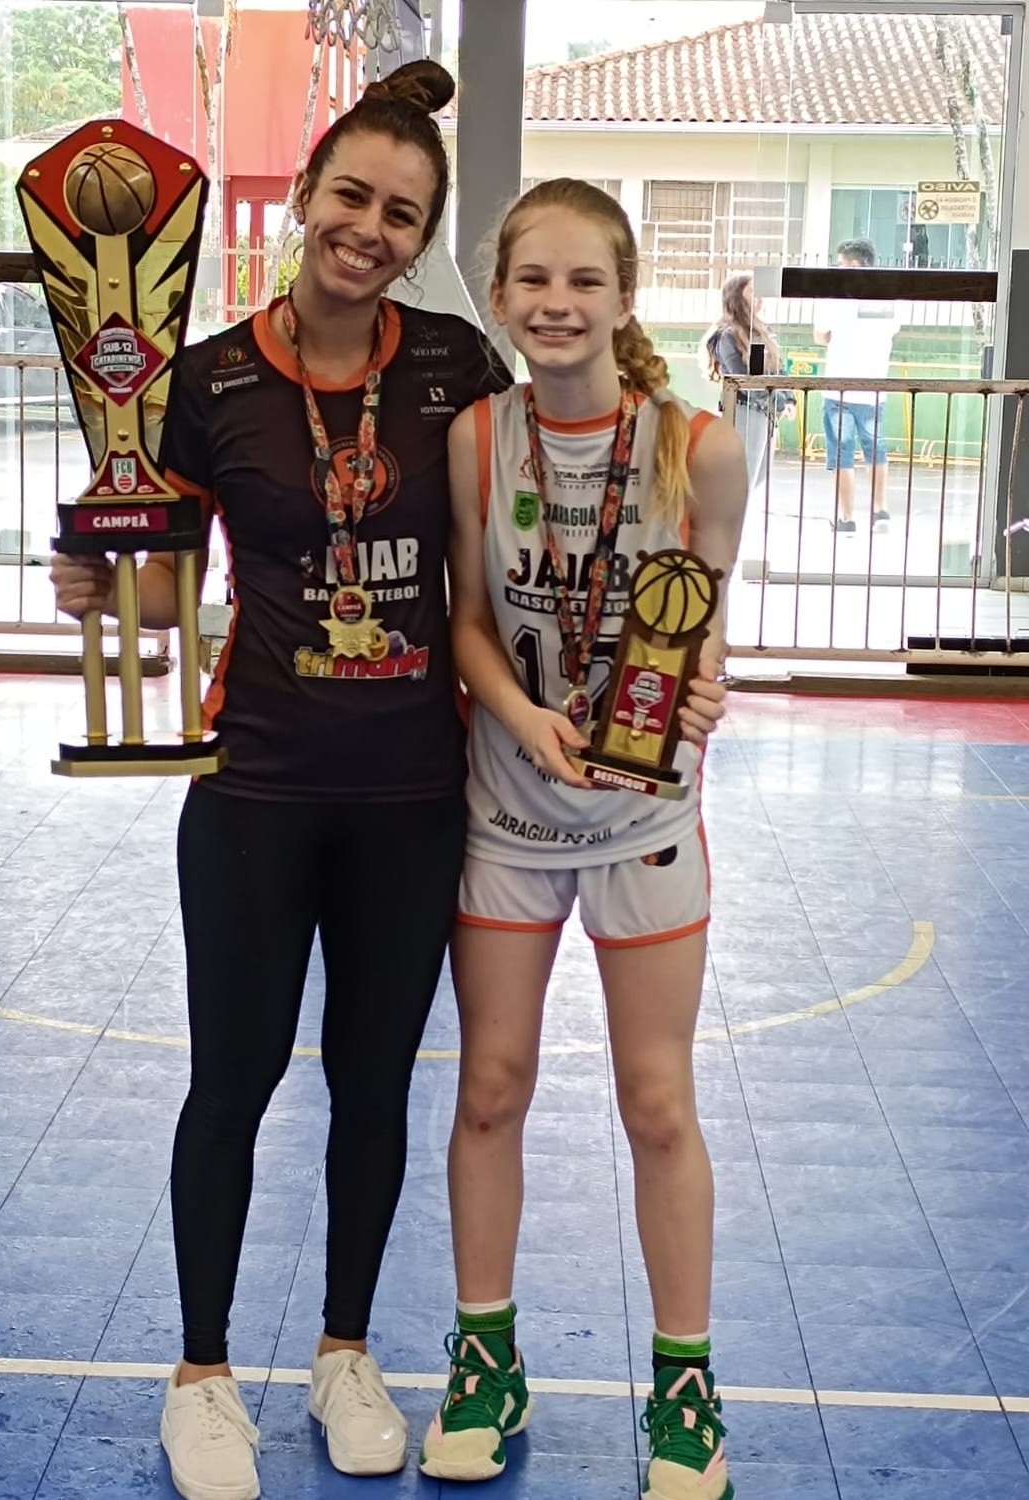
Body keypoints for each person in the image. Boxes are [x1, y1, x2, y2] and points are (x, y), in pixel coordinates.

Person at [51, 61, 510, 1500]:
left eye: (402, 213)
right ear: (307, 196)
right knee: (234, 1081)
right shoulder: (207, 383)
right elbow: (161, 590)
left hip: (413, 800)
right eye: (351, 196)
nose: (369, 228)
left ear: (422, 237)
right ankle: (200, 1378)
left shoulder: (456, 369)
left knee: (373, 1087)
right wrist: (99, 585)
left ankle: (345, 1353)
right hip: (253, 787)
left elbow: (524, 549)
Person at [417, 178, 747, 1499]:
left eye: (584, 282)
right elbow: (467, 620)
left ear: (624, 297)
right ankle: (483, 1363)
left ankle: (686, 1390)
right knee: (490, 1089)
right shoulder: (475, 438)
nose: (557, 305)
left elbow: (701, 622)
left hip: (644, 820)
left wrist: (708, 686)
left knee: (657, 1101)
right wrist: (521, 717)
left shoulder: (700, 448)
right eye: (533, 281)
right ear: (500, 296)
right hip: (508, 812)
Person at [814, 237, 901, 534]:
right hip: (874, 387)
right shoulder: (888, 297)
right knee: (875, 451)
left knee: (842, 455)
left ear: (854, 264)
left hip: (839, 387)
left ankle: (847, 518)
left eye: (841, 264)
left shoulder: (835, 297)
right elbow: (893, 331)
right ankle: (880, 511)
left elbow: (820, 336)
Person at [703, 272, 796, 502]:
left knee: (757, 476)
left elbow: (778, 367)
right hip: (743, 412)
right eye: (752, 291)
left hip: (765, 413)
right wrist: (779, 403)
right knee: (742, 480)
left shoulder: (762, 330)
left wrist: (788, 398)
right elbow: (745, 381)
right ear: (736, 296)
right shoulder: (727, 335)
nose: (759, 297)